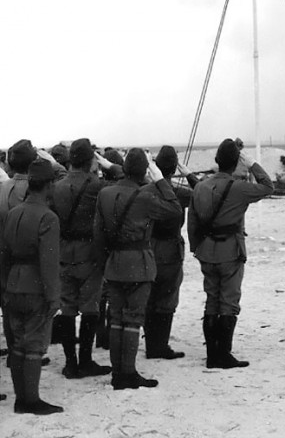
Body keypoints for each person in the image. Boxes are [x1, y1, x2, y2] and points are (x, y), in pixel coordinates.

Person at [94, 148, 183, 390]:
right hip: (139, 262)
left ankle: (116, 374)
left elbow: (98, 234)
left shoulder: (105, 193)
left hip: (113, 262)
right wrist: (161, 180)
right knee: (133, 319)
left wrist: (105, 264)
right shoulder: (145, 196)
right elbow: (174, 209)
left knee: (116, 318)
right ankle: (128, 373)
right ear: (144, 171)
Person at [187, 139, 273, 369]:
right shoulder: (239, 188)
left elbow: (192, 221)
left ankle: (211, 353)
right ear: (236, 163)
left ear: (216, 160)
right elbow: (268, 186)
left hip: (206, 250)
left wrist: (196, 248)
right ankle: (222, 354)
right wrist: (252, 162)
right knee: (228, 302)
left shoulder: (201, 186)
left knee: (211, 301)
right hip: (230, 250)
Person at [0, 159, 63, 415]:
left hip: (13, 283)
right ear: (48, 185)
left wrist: (4, 286)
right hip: (36, 285)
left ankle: (20, 399)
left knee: (17, 345)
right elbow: (48, 261)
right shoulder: (48, 217)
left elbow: (3, 254)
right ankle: (31, 400)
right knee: (34, 345)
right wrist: (54, 296)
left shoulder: (14, 213)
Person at [52, 138, 113, 379]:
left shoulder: (57, 186)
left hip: (64, 250)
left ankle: (70, 363)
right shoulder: (96, 186)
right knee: (90, 306)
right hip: (89, 251)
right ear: (90, 160)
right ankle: (85, 361)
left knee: (67, 307)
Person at [144, 145, 199, 360]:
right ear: (173, 168)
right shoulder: (178, 193)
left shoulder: (147, 189)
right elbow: (203, 192)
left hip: (149, 245)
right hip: (170, 247)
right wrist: (189, 174)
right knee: (167, 297)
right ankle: (161, 345)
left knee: (150, 296)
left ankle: (151, 344)